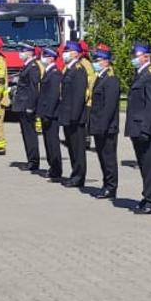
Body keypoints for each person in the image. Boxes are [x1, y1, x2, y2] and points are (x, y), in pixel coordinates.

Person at [125, 42, 151, 214]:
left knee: (150, 166)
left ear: (146, 57)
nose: (133, 59)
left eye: (136, 56)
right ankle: (148, 195)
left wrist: (146, 129)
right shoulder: (140, 74)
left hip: (146, 129)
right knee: (144, 165)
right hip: (138, 128)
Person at [87, 47, 121, 200]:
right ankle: (106, 183)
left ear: (106, 62)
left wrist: (102, 126)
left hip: (107, 127)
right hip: (98, 125)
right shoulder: (100, 78)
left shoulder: (111, 79)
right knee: (102, 157)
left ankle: (111, 187)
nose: (95, 63)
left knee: (108, 158)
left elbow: (109, 107)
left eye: (97, 60)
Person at [57, 40, 91, 189]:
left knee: (78, 149)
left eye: (67, 51)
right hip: (68, 115)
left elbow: (78, 96)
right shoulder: (69, 69)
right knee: (71, 147)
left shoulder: (79, 69)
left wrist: (73, 117)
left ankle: (79, 176)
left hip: (75, 117)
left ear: (75, 53)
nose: (64, 54)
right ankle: (74, 174)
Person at [11, 41, 44, 168]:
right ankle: (30, 158)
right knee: (26, 134)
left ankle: (33, 161)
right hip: (22, 105)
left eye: (23, 51)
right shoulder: (27, 65)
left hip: (27, 106)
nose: (21, 53)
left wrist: (31, 107)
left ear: (30, 52)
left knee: (30, 134)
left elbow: (33, 89)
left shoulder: (33, 67)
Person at [35, 46, 65, 182]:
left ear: (51, 58)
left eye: (45, 56)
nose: (42, 58)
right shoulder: (48, 72)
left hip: (51, 115)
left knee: (53, 142)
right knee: (48, 142)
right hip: (46, 113)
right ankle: (52, 166)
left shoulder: (55, 74)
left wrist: (48, 114)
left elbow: (53, 97)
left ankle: (56, 168)